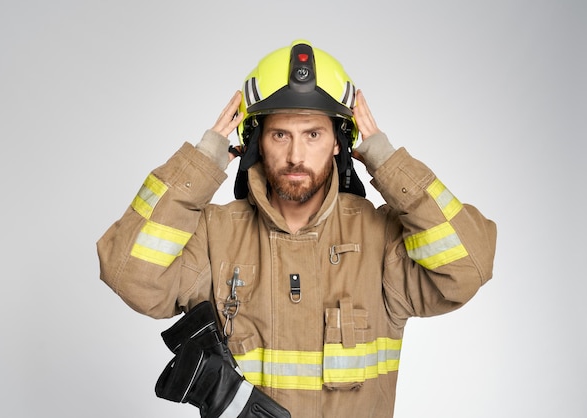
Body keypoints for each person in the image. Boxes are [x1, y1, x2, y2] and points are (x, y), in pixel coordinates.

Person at [97, 40, 497, 418]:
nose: (295, 155)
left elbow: (467, 271)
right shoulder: (214, 235)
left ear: (340, 142)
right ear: (256, 141)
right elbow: (128, 275)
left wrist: (386, 159)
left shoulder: (380, 239)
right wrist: (203, 160)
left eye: (313, 134)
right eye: (280, 134)